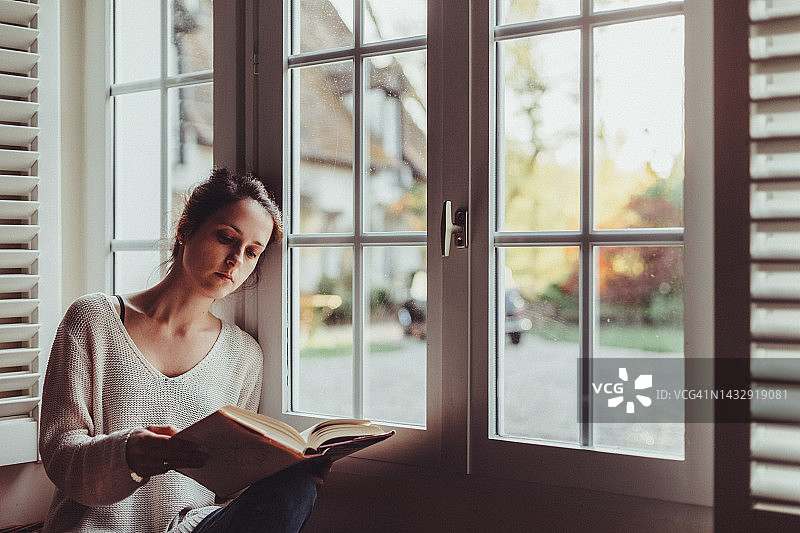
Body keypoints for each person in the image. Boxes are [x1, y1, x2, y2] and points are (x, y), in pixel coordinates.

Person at [39, 168, 326, 532]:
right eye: (226, 238)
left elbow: (227, 489)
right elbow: (60, 454)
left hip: (190, 528)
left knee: (296, 487)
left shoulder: (244, 355)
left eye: (252, 252)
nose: (237, 259)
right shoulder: (93, 319)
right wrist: (129, 453)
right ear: (185, 229)